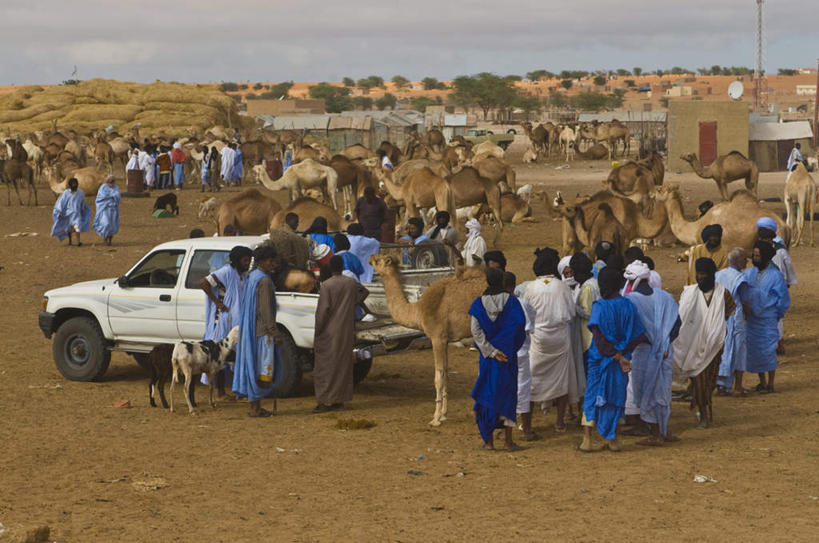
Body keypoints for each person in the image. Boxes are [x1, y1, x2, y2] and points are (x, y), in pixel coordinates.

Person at [580, 267, 646, 453]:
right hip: (621, 362)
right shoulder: (629, 306)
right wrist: (622, 355)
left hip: (600, 361)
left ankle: (587, 439)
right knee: (617, 397)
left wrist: (615, 356)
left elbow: (599, 339)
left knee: (592, 396)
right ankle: (613, 438)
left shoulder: (599, 307)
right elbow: (637, 335)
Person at [623, 259, 681, 445]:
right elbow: (676, 325)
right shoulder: (666, 297)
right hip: (665, 352)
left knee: (648, 391)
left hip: (644, 354)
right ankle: (663, 430)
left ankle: (657, 434)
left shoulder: (631, 301)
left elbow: (633, 331)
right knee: (662, 390)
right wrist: (664, 344)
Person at [470, 267, 527, 450]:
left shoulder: (478, 304)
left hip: (488, 359)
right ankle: (508, 442)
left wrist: (491, 351)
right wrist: (507, 348)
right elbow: (519, 326)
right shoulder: (512, 302)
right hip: (507, 357)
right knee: (508, 395)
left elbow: (475, 331)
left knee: (487, 394)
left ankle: (489, 442)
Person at [674, 258, 734, 428]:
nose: (700, 277)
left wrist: (712, 331)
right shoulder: (689, 293)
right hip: (692, 344)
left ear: (711, 275)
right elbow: (683, 318)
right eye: (698, 274)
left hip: (714, 345)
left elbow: (726, 315)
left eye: (703, 274)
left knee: (710, 380)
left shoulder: (723, 294)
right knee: (699, 379)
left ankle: (703, 404)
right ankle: (703, 413)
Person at [522, 247, 577, 432]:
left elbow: (525, 315)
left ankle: (527, 425)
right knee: (561, 380)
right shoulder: (563, 287)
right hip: (560, 339)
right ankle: (560, 422)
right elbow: (571, 314)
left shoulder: (530, 287)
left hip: (537, 340)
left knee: (531, 380)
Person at [313, 256, 369, 412]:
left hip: (329, 331)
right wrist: (352, 302)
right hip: (346, 330)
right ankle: (339, 400)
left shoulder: (326, 285)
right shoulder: (350, 282)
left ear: (330, 268)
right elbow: (364, 292)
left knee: (324, 366)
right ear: (342, 266)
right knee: (343, 366)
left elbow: (323, 311)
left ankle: (323, 400)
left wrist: (318, 330)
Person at [233, 244, 283, 417]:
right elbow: (266, 310)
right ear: (261, 261)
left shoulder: (253, 276)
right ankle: (255, 408)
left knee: (254, 366)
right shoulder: (264, 281)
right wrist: (275, 332)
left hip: (251, 329)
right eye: (269, 260)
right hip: (263, 332)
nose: (271, 263)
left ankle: (255, 406)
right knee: (262, 370)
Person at [200, 245, 253, 397]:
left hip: (237, 321)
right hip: (223, 321)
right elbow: (204, 282)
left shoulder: (244, 275)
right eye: (245, 260)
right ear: (237, 260)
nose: (247, 263)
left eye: (249, 260)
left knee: (236, 354)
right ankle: (221, 392)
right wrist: (217, 302)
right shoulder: (225, 272)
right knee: (220, 354)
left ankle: (237, 390)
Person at [743, 241, 790, 394]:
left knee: (768, 351)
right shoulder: (749, 273)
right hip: (752, 320)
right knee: (755, 351)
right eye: (754, 255)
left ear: (766, 257)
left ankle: (771, 384)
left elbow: (783, 299)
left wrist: (777, 315)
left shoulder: (776, 276)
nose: (755, 258)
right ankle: (762, 382)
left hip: (768, 319)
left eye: (758, 256)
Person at [504, 271, 538, 441]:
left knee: (505, 389)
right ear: (513, 286)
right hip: (522, 351)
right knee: (523, 390)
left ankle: (504, 431)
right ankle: (526, 430)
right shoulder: (523, 303)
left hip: (502, 353)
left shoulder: (497, 304)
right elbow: (532, 322)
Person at [756, 217, 796, 354]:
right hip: (766, 286)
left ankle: (778, 342)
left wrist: (788, 282)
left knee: (775, 314)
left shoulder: (779, 251)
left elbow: (788, 267)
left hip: (776, 286)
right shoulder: (763, 251)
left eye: (765, 239)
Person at [715, 248, 750, 395]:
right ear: (737, 260)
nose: (746, 262)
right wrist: (748, 316)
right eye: (744, 259)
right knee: (739, 352)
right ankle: (738, 386)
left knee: (721, 351)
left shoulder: (718, 275)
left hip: (719, 318)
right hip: (735, 319)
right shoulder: (740, 279)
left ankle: (721, 386)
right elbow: (745, 301)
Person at [51, 178, 91, 246]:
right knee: (69, 228)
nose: (74, 186)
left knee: (77, 226)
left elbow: (82, 202)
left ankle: (78, 242)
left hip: (76, 213)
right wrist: (60, 210)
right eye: (73, 184)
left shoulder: (80, 193)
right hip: (68, 214)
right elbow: (61, 202)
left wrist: (82, 209)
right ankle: (70, 241)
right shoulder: (66, 193)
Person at [93, 175, 121, 246]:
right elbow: (101, 196)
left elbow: (118, 196)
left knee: (112, 225)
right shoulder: (103, 188)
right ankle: (105, 239)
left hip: (113, 209)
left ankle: (110, 240)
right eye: (109, 182)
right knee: (106, 223)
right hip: (104, 208)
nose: (111, 184)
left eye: (112, 182)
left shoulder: (116, 188)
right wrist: (111, 196)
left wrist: (112, 196)